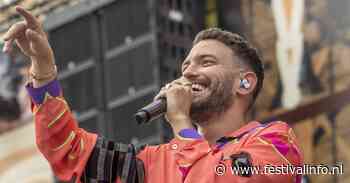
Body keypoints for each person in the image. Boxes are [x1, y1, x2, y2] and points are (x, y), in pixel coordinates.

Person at [2, 7, 303, 183]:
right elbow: (71, 153)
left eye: (206, 62)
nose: (188, 72)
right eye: (185, 66)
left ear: (245, 84)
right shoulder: (153, 164)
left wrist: (182, 123)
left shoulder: (276, 144)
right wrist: (43, 72)